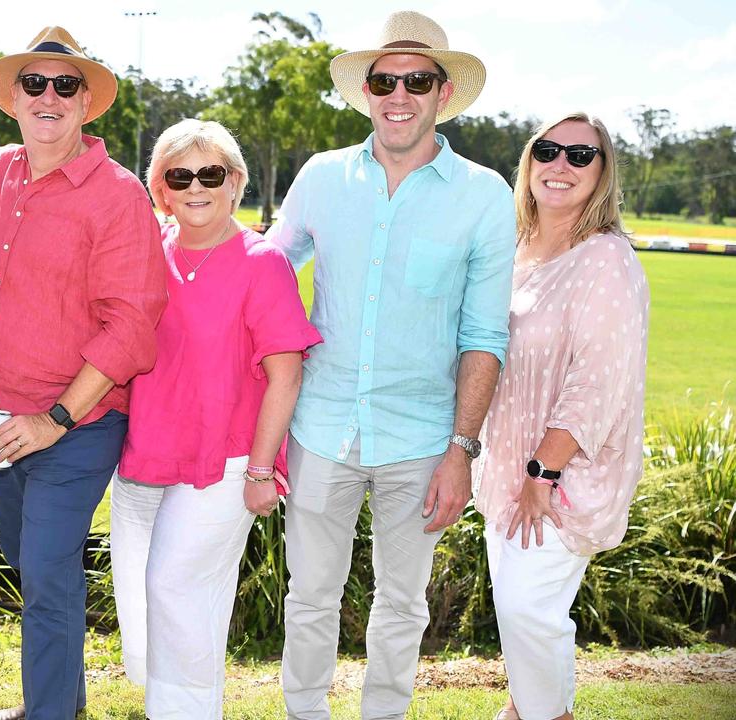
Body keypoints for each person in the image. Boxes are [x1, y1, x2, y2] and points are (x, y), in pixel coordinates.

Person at [265, 11, 516, 719]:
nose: (397, 93)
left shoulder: (484, 194)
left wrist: (460, 449)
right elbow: (264, 273)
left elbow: (483, 336)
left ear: (441, 92)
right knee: (309, 595)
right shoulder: (320, 177)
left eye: (415, 79)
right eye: (383, 79)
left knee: (401, 603)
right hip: (320, 425)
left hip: (422, 438)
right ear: (367, 92)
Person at [0, 26, 167, 720]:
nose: (47, 97)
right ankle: (59, 701)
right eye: (34, 84)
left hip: (71, 427)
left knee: (48, 576)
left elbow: (132, 325)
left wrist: (54, 420)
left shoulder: (116, 194)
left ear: (85, 104)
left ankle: (48, 713)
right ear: (14, 99)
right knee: (33, 569)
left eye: (64, 85)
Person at [111, 118, 322, 719]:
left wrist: (262, 471)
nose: (196, 187)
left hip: (226, 461)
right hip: (145, 453)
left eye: (212, 174)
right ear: (161, 188)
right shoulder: (149, 255)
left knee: (173, 587)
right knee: (147, 597)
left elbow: (286, 374)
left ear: (235, 182)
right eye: (181, 175)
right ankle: (178, 704)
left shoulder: (263, 263)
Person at [474, 113, 649, 720]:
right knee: (520, 620)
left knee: (530, 613)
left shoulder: (606, 258)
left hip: (559, 479)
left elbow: (596, 384)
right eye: (548, 150)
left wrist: (541, 474)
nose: (561, 164)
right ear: (529, 160)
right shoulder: (515, 248)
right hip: (506, 472)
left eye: (581, 155)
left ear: (602, 174)